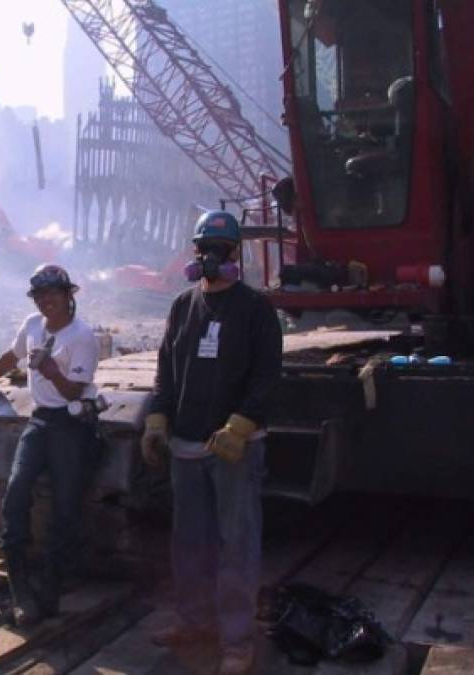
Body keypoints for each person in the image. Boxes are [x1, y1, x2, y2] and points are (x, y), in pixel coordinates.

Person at [141, 210, 282, 674]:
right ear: (194, 251)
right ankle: (194, 622)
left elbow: (266, 379)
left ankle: (238, 641)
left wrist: (240, 427)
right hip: (186, 447)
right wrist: (157, 421)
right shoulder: (182, 306)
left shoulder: (257, 310)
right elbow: (165, 372)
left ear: (235, 254)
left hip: (235, 451)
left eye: (219, 250)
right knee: (189, 542)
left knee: (237, 543)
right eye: (204, 248)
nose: (210, 257)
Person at [0, 263, 100, 627]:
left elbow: (75, 391)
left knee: (65, 506)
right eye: (40, 296)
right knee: (16, 492)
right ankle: (20, 589)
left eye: (53, 294)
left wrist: (51, 371)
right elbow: (11, 354)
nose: (47, 301)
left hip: (70, 424)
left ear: (68, 296)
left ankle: (50, 589)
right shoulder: (31, 326)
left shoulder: (82, 337)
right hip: (41, 419)